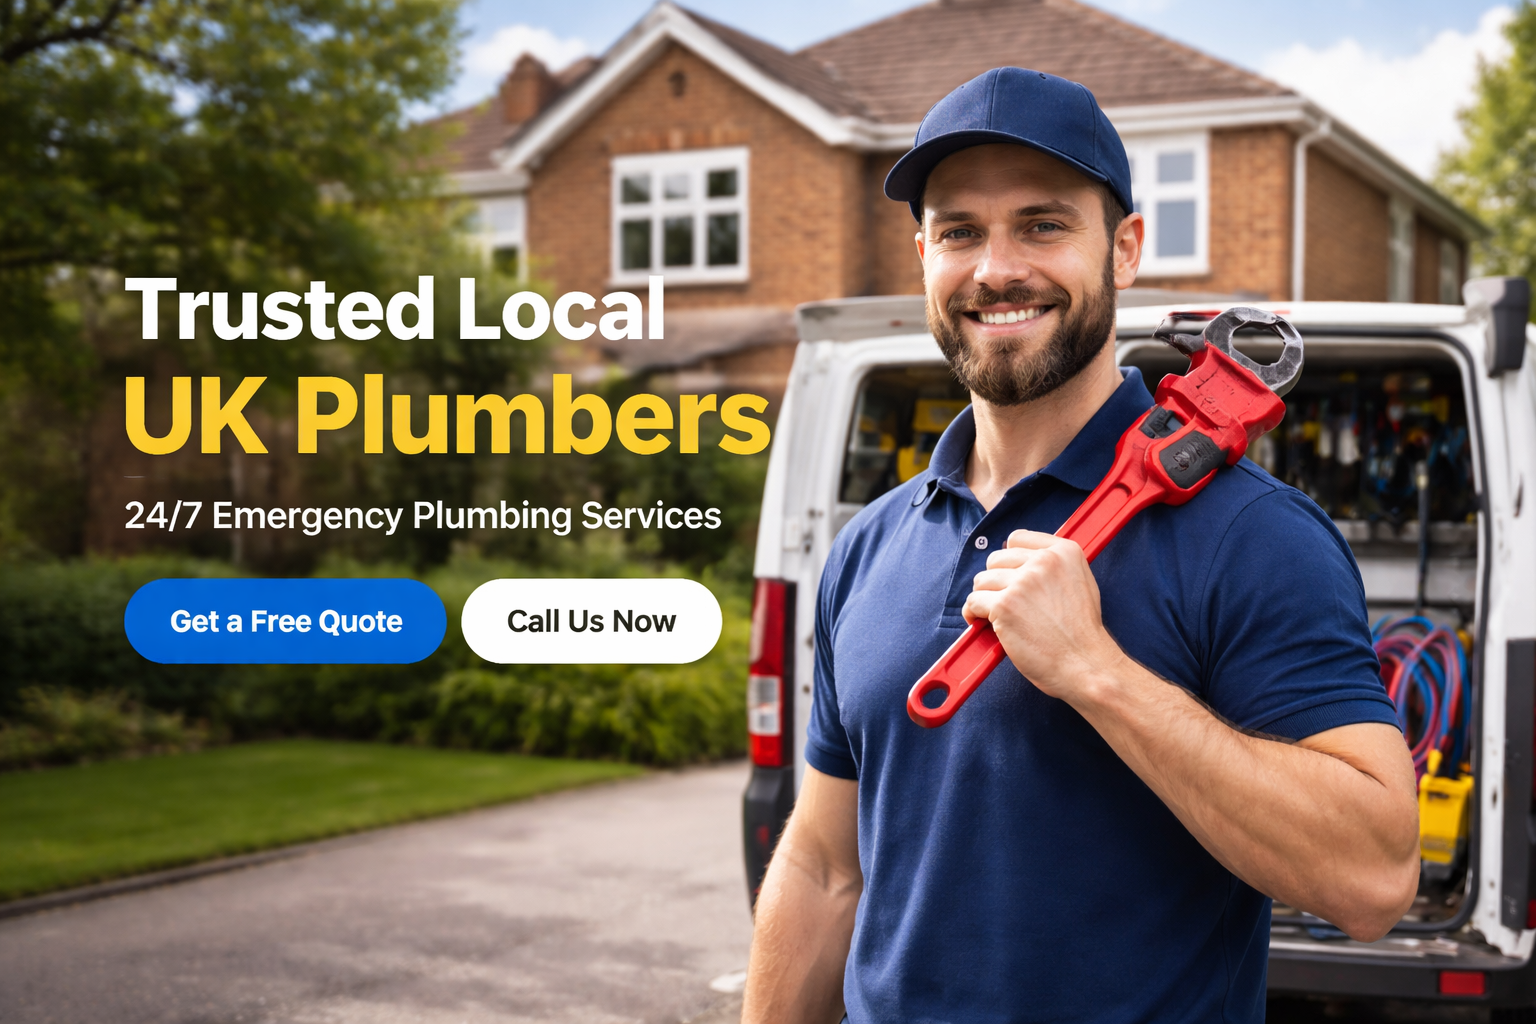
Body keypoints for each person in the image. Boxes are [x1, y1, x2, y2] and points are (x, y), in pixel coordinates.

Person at [741, 67, 1419, 1024]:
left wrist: (1099, 674)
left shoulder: (1251, 535)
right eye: (960, 232)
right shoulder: (870, 545)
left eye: (1044, 224)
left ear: (1125, 249)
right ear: (923, 256)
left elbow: (1375, 876)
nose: (996, 268)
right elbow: (820, 866)